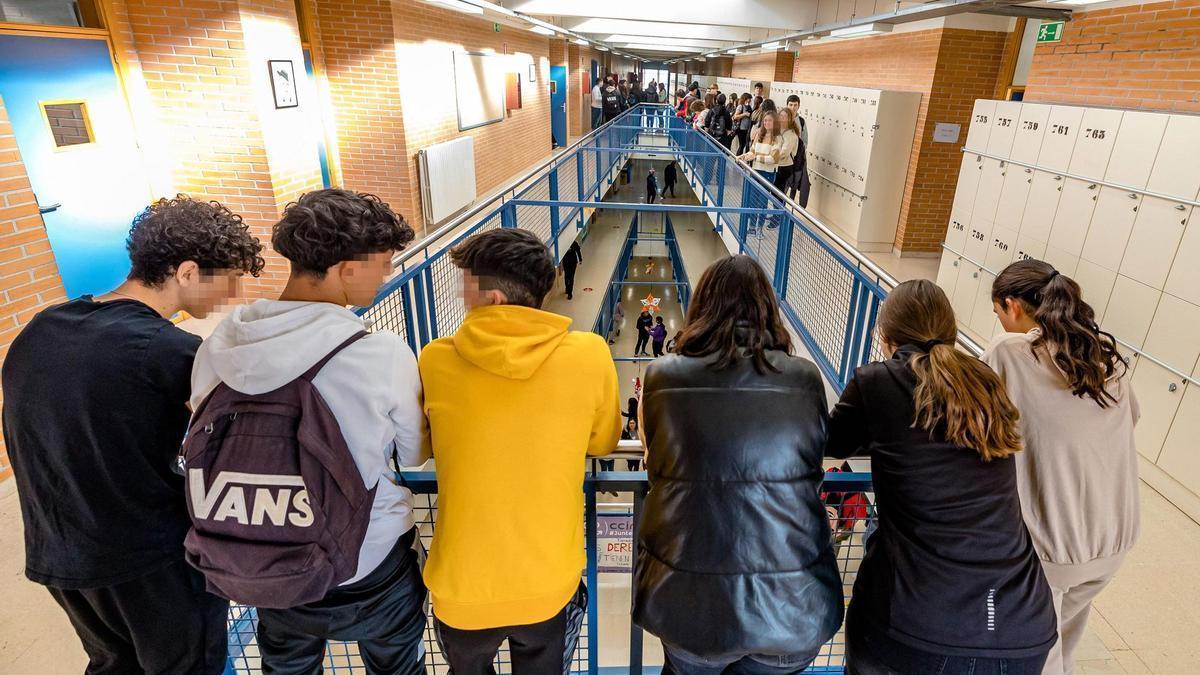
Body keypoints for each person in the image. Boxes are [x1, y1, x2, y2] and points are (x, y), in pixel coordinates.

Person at [2, 196, 265, 675]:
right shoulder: (170, 350)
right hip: (146, 558)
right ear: (187, 272)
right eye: (226, 283)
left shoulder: (42, 328)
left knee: (113, 663)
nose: (230, 299)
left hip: (59, 555)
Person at [188, 189, 428, 673]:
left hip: (262, 558)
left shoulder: (216, 347)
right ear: (346, 269)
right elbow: (416, 451)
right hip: (368, 560)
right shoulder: (377, 352)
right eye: (382, 263)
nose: (387, 275)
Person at [825, 279, 1057, 674]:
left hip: (916, 625)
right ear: (949, 332)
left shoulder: (877, 381)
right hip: (1021, 626)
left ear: (885, 337)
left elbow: (834, 442)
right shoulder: (984, 380)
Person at [418, 228, 622, 673]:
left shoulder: (435, 359)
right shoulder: (589, 355)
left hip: (461, 586)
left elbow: (421, 447)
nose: (460, 298)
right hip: (547, 581)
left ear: (491, 298)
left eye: (464, 289)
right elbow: (604, 441)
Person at [635, 255, 843, 674]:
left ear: (702, 309)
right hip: (791, 608)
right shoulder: (804, 379)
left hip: (690, 606)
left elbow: (654, 457)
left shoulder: (662, 377)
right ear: (766, 309)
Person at [984, 260, 1140, 675]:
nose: (999, 323)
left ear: (1012, 305)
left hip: (1052, 544)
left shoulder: (1008, 352)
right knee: (1062, 643)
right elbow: (1129, 420)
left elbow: (971, 416)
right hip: (1112, 539)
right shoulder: (1104, 360)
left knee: (1026, 654)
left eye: (998, 313)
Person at [774, 108, 802, 196]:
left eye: (784, 117)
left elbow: (784, 153)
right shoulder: (777, 130)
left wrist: (770, 157)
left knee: (778, 193)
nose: (781, 118)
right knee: (773, 191)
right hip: (775, 165)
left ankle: (779, 209)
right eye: (780, 116)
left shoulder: (791, 134)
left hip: (784, 167)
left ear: (789, 119)